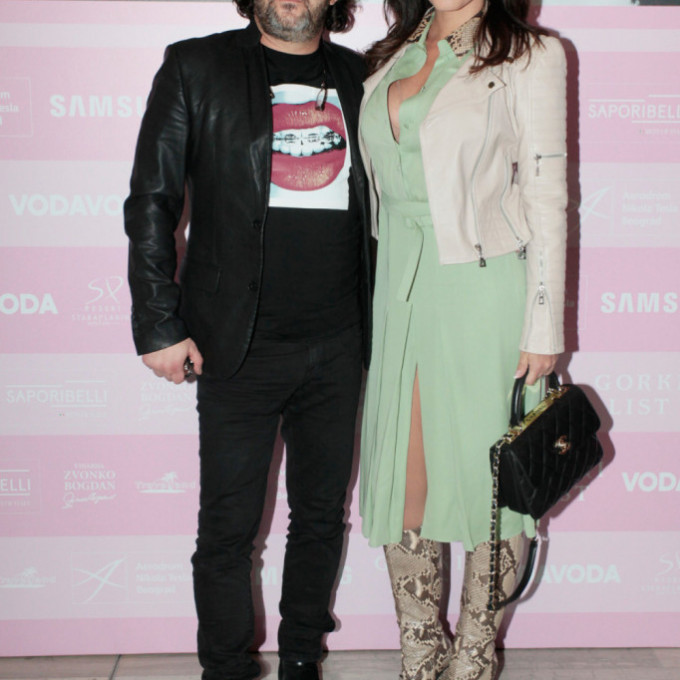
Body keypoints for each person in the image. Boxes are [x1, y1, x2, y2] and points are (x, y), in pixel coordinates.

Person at [123, 1, 372, 679]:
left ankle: (302, 659)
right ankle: (227, 668)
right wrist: (159, 322)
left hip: (340, 339)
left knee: (320, 517)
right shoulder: (196, 67)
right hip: (235, 343)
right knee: (229, 528)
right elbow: (153, 200)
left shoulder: (364, 77)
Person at [358, 1, 567, 678]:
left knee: (491, 483)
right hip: (399, 286)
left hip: (483, 286)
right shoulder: (391, 53)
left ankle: (475, 654)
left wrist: (543, 324)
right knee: (405, 477)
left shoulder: (531, 54)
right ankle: (421, 653)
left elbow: (547, 196)